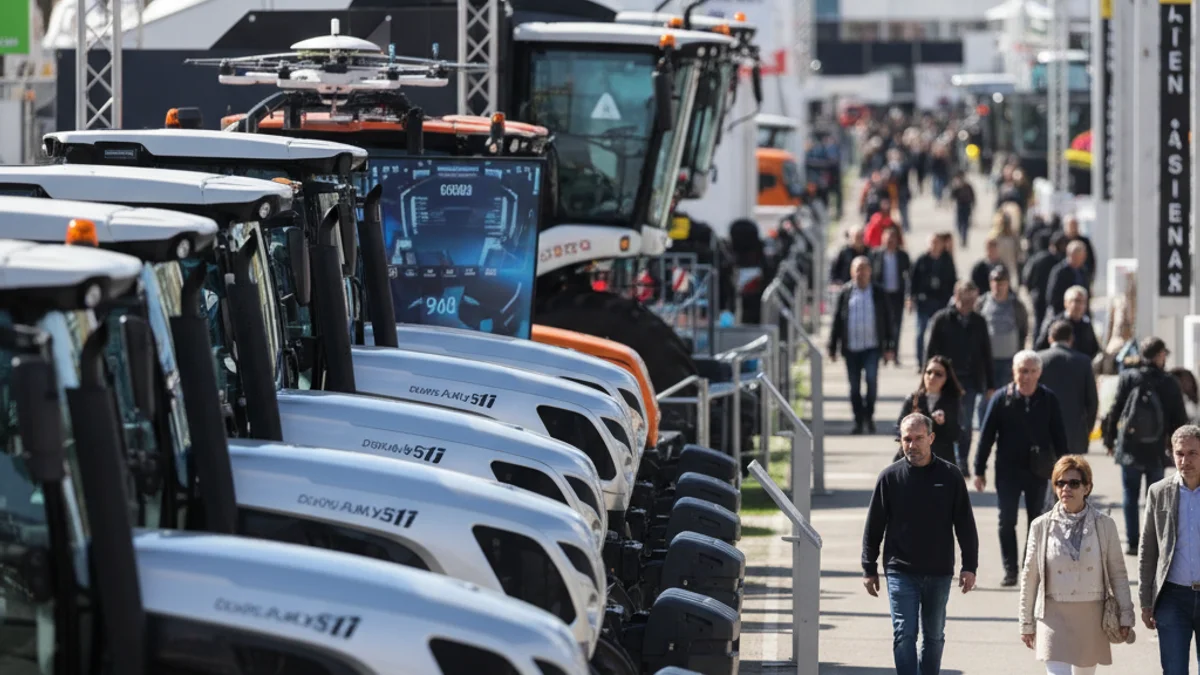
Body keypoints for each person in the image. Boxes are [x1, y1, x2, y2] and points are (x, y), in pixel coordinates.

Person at [862, 413, 979, 675]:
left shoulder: (950, 476)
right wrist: (868, 567)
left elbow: (965, 525)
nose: (912, 445)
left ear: (931, 438)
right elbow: (874, 526)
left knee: (934, 635)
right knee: (905, 633)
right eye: (906, 439)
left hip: (938, 571)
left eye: (918, 438)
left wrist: (969, 566)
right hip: (900, 570)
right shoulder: (890, 478)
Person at [1019, 455, 1135, 675]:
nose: (1066, 488)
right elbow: (1030, 577)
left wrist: (1126, 614)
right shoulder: (1040, 526)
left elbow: (1118, 573)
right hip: (1052, 614)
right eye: (1060, 483)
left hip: (1090, 614)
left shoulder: (1104, 525)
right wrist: (1026, 623)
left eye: (1074, 483)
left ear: (1087, 487)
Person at [975, 350, 1071, 586]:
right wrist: (979, 469)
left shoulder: (1048, 399)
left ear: (1039, 373)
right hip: (1007, 470)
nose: (1026, 376)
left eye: (1031, 371)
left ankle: (1030, 568)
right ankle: (1010, 570)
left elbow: (1060, 437)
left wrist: (1066, 471)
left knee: (1036, 521)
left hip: (1038, 471)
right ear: (1014, 372)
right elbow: (986, 436)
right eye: (1022, 371)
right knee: (1006, 520)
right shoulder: (1001, 398)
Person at [1101, 336, 1189, 554]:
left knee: (1130, 494)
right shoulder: (1169, 382)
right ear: (1159, 355)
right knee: (1157, 497)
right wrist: (1180, 448)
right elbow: (1180, 418)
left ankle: (1132, 542)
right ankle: (1155, 542)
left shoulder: (1129, 377)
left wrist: (1110, 439)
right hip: (1157, 449)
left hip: (1130, 447)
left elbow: (1115, 410)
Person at [1138, 425, 1200, 675]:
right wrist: (1145, 601)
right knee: (1174, 670)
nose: (1185, 461)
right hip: (1172, 598)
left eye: (1193, 453)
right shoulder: (1159, 492)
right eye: (1179, 453)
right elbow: (1148, 549)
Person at [926, 280, 995, 475]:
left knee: (965, 424)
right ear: (956, 297)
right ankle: (943, 459)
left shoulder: (979, 322)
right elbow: (930, 351)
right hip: (944, 381)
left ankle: (962, 461)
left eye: (972, 300)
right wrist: (927, 378)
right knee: (944, 420)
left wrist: (990, 384)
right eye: (965, 300)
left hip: (970, 382)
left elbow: (986, 353)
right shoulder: (942, 319)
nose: (969, 304)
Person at [829, 256, 897, 435]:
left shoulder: (878, 292)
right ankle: (858, 421)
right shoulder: (846, 292)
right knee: (854, 387)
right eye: (857, 269)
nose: (861, 273)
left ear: (870, 271)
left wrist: (891, 346)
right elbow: (837, 321)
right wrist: (832, 347)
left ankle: (869, 417)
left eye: (864, 269)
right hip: (851, 348)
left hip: (872, 347)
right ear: (852, 272)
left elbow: (889, 321)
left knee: (872, 383)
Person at [1038, 320, 1100, 456]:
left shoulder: (1039, 360)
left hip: (1044, 432)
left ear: (1050, 338)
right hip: (1075, 434)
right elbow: (1092, 401)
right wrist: (1087, 430)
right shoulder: (1083, 361)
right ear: (1071, 339)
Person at [894, 355, 963, 467]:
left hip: (941, 461)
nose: (932, 377)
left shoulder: (952, 401)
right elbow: (898, 429)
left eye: (938, 374)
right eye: (929, 372)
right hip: (912, 460)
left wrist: (944, 423)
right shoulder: (913, 399)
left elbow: (957, 434)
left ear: (946, 378)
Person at [976, 265, 1030, 390]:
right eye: (995, 282)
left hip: (1009, 360)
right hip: (988, 359)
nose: (998, 286)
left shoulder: (1016, 305)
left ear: (1007, 284)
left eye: (1002, 282)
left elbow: (1023, 329)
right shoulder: (982, 303)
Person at [911, 234, 958, 369]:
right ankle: (920, 362)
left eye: (937, 243)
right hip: (924, 302)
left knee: (941, 332)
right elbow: (913, 279)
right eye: (932, 242)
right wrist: (911, 297)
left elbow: (952, 279)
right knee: (921, 332)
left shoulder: (947, 260)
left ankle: (940, 360)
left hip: (941, 301)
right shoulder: (921, 260)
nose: (935, 245)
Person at [871, 227, 910, 364]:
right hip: (882, 296)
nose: (890, 242)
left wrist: (909, 296)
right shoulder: (876, 255)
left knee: (896, 326)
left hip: (897, 296)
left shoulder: (902, 256)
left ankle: (895, 354)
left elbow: (909, 277)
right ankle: (883, 353)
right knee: (881, 324)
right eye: (887, 239)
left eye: (892, 239)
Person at [1035, 286, 1100, 360]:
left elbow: (1093, 349)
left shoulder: (1086, 323)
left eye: (1083, 302)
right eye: (1076, 301)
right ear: (1066, 303)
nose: (1079, 306)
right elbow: (1040, 348)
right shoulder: (1056, 323)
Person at [1024, 232, 1068, 339]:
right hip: (1047, 298)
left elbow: (1026, 278)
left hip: (1039, 296)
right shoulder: (1059, 261)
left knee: (1039, 324)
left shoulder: (1038, 258)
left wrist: (1031, 291)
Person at [1046, 241, 1092, 317]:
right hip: (1062, 314)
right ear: (1070, 255)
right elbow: (1052, 297)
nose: (1082, 260)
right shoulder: (1059, 272)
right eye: (1078, 257)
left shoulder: (1083, 271)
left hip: (1080, 315)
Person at [1062, 216, 1097, 287]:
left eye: (1075, 225)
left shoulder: (1085, 241)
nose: (1073, 228)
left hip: (1081, 277)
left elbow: (1091, 260)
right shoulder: (1060, 240)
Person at [949, 171, 976, 246]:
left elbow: (972, 195)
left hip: (967, 206)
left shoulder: (968, 186)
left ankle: (964, 238)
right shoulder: (957, 186)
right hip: (959, 206)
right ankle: (961, 236)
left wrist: (973, 204)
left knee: (966, 224)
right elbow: (952, 195)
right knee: (959, 224)